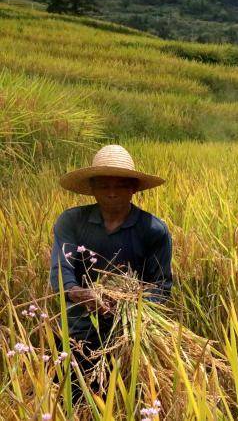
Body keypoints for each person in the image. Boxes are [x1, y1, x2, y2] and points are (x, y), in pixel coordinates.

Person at [49, 144, 172, 397]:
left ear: (134, 188)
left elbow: (161, 285)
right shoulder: (71, 221)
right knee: (71, 396)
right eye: (104, 185)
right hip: (78, 329)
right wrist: (77, 293)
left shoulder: (153, 230)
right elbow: (61, 269)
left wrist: (124, 303)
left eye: (121, 185)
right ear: (92, 188)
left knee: (130, 398)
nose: (112, 193)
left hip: (131, 332)